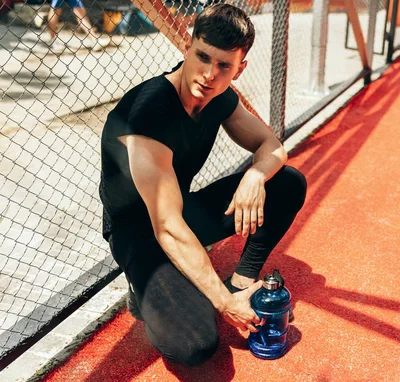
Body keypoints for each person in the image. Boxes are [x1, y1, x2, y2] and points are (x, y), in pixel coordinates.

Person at [99, 3, 307, 366]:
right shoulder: (149, 111)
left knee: (285, 183)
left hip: (181, 213)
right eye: (202, 57)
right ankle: (142, 290)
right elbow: (165, 226)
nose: (209, 74)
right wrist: (223, 307)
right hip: (140, 233)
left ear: (239, 69)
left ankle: (240, 282)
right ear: (187, 49)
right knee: (195, 344)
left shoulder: (219, 96)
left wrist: (255, 176)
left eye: (224, 65)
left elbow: (272, 146)